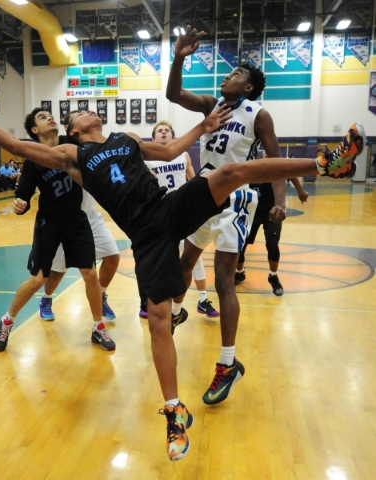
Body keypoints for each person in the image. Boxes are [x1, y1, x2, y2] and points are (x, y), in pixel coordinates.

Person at [0, 85, 364, 461]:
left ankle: (327, 163)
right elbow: (16, 147)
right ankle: (174, 412)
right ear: (74, 128)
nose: (88, 112)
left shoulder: (125, 139)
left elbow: (167, 151)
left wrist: (203, 127)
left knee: (232, 173)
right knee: (159, 321)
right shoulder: (72, 155)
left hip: (168, 206)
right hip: (145, 236)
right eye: (79, 112)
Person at [166, 26, 291, 407]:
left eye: (236, 75)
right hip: (204, 191)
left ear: (249, 88)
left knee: (223, 280)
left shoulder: (259, 115)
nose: (227, 77)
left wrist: (280, 200)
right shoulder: (211, 106)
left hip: (237, 197)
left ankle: (227, 363)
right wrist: (179, 57)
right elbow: (173, 94)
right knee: (185, 261)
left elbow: (275, 161)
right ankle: (175, 312)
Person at [0, 107, 115, 352]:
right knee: (38, 279)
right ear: (34, 130)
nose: (49, 116)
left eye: (50, 114)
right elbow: (23, 196)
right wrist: (20, 203)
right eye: (42, 116)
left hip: (76, 220)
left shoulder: (72, 143)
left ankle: (97, 328)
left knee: (90, 274)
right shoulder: (33, 158)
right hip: (49, 222)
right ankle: (6, 321)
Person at [36, 110, 120, 324]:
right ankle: (46, 299)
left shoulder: (92, 147)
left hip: (90, 215)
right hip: (68, 218)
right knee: (58, 271)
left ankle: (101, 296)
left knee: (112, 257)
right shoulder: (63, 151)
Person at [139, 120, 219, 319]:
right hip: (159, 213)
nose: (164, 133)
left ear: (173, 137)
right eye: (160, 131)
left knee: (194, 257)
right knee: (156, 261)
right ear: (153, 138)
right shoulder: (146, 159)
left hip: (183, 211)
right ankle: (146, 300)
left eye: (167, 131)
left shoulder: (183, 155)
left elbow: (193, 182)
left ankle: (202, 299)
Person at [235, 153, 309, 295]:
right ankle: (240, 272)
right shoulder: (253, 167)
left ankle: (273, 276)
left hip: (272, 211)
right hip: (253, 212)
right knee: (241, 245)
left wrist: (300, 191)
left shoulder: (277, 169)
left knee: (272, 244)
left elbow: (291, 173)